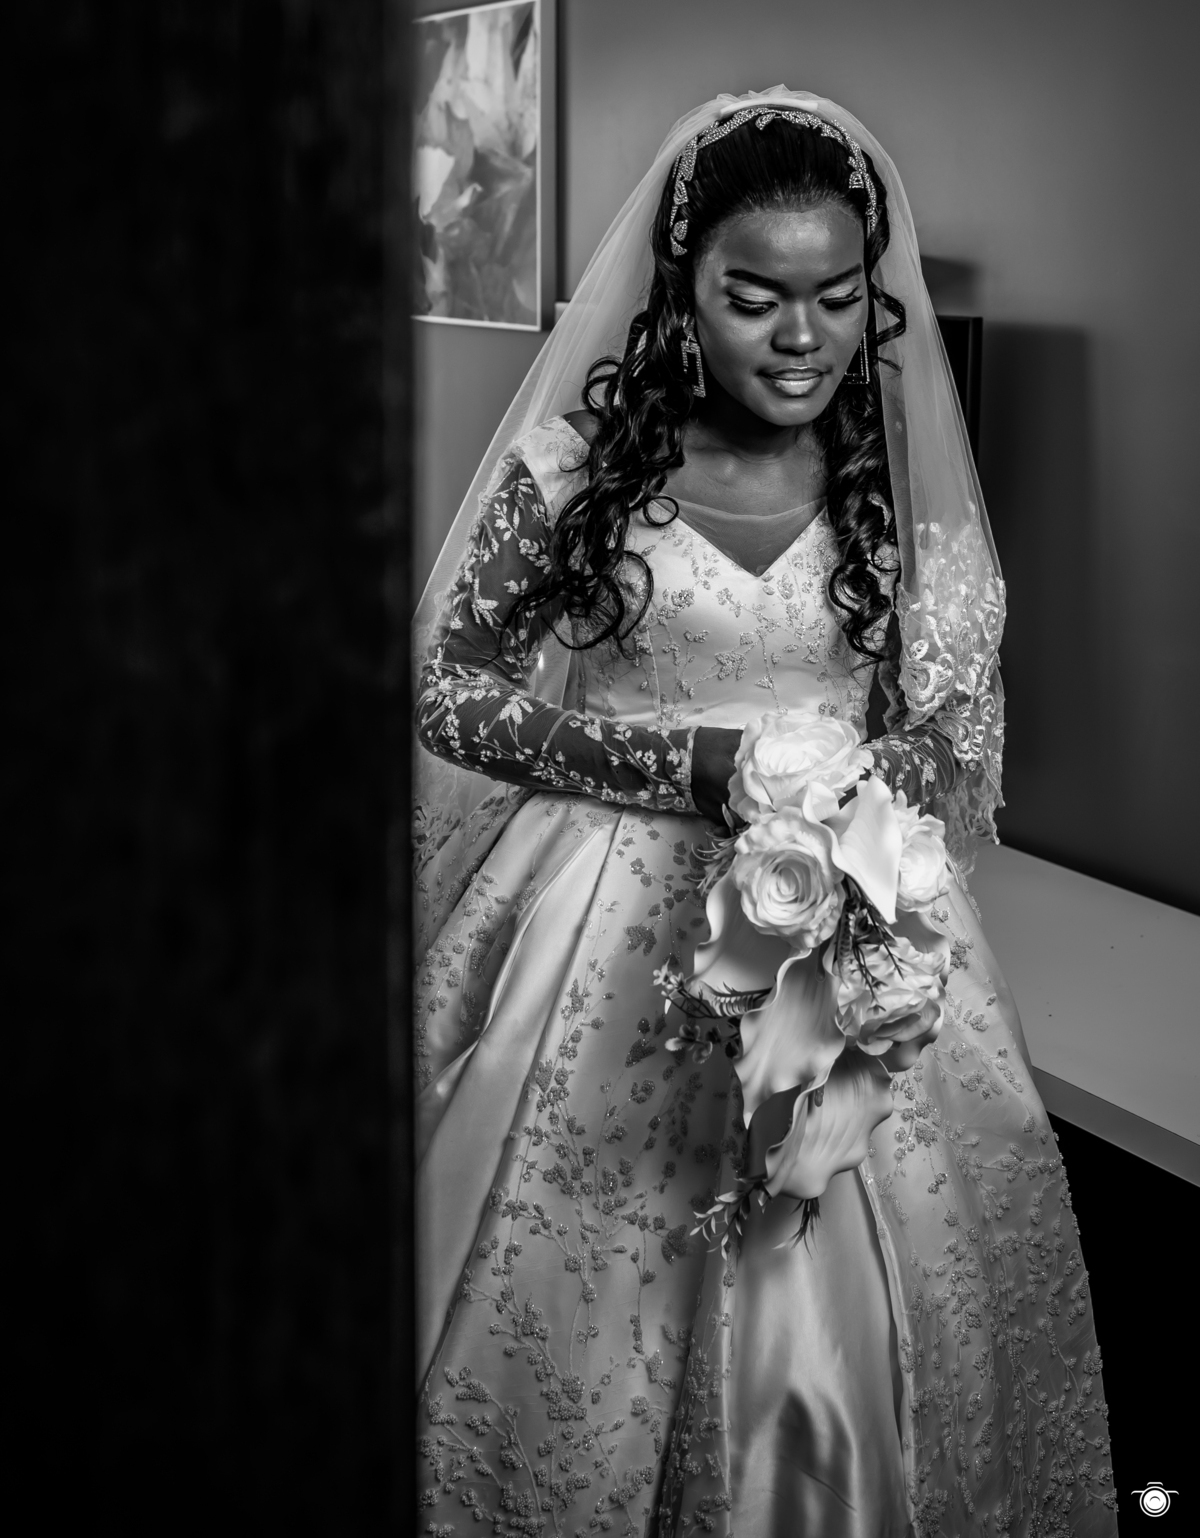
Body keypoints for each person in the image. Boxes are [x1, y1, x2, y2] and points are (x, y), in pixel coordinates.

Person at [413, 88, 1116, 1537]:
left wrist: (842, 814)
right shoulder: (572, 477)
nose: (803, 338)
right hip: (598, 930)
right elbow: (448, 694)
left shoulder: (895, 492)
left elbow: (955, 730)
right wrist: (685, 766)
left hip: (848, 917)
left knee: (851, 1264)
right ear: (683, 294)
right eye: (755, 299)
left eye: (838, 298)